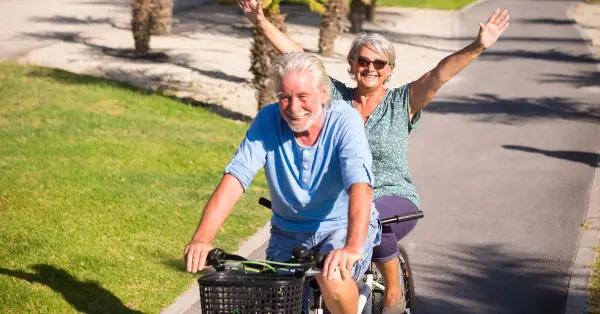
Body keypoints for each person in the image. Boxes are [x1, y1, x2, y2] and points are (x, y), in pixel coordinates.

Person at [234, 1, 510, 312]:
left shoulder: (401, 102)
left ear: (390, 70)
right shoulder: (333, 97)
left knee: (369, 218)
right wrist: (259, 19)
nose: (371, 68)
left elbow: (438, 75)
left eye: (380, 64)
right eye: (364, 61)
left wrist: (477, 45)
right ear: (351, 65)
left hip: (391, 195)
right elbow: (296, 56)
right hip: (337, 204)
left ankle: (393, 291)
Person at [183, 52, 382, 314]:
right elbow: (236, 177)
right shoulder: (268, 120)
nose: (293, 107)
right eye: (285, 98)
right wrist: (202, 239)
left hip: (341, 226)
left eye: (302, 97)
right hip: (289, 232)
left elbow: (359, 184)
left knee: (333, 278)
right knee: (277, 301)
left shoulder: (344, 120)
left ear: (323, 94)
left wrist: (352, 248)